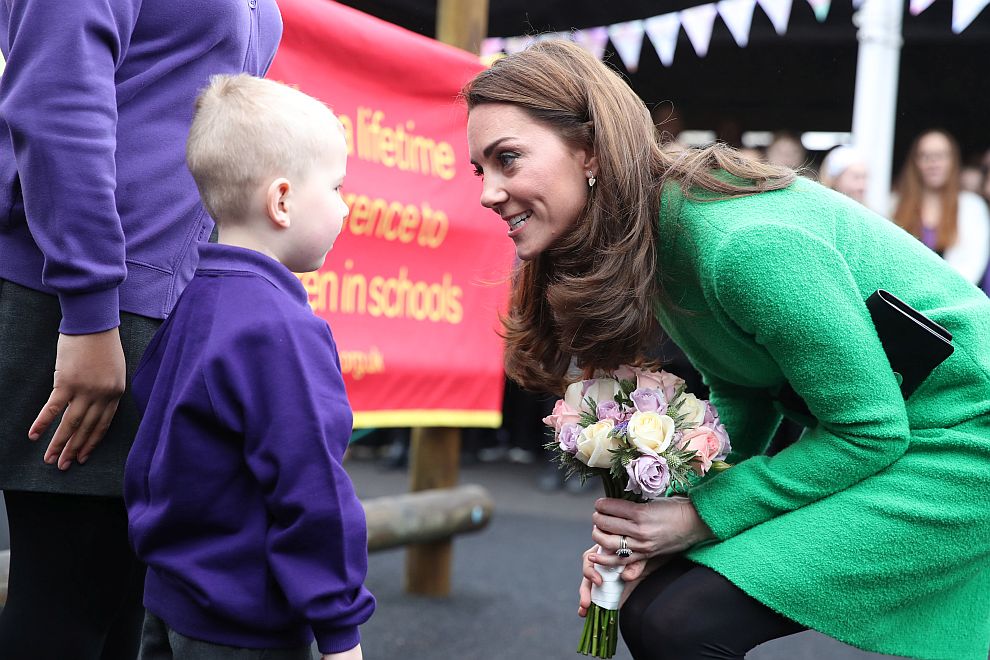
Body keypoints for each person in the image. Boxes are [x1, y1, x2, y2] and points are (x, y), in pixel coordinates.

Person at [463, 40, 990, 660]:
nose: (488, 193)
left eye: (508, 159)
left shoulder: (739, 246)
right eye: (481, 170)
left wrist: (701, 514)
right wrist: (663, 516)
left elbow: (869, 432)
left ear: (590, 150)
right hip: (902, 433)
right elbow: (743, 386)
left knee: (681, 624)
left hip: (962, 442)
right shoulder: (657, 233)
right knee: (652, 605)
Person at [0, 3, 282, 659]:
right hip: (72, 298)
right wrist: (91, 309)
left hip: (166, 302)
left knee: (123, 595)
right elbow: (56, 101)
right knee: (68, 598)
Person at [124, 75, 374, 660]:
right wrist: (341, 632)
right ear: (282, 201)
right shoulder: (282, 330)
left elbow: (150, 439)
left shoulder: (193, 301)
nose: (345, 205)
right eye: (336, 187)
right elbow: (312, 488)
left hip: (171, 602)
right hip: (247, 627)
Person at [892, 129, 990, 286]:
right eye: (925, 156)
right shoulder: (895, 206)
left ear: (953, 160)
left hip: (954, 299)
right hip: (904, 298)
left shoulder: (972, 207)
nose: (933, 163)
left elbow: (971, 266)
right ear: (915, 162)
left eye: (941, 156)